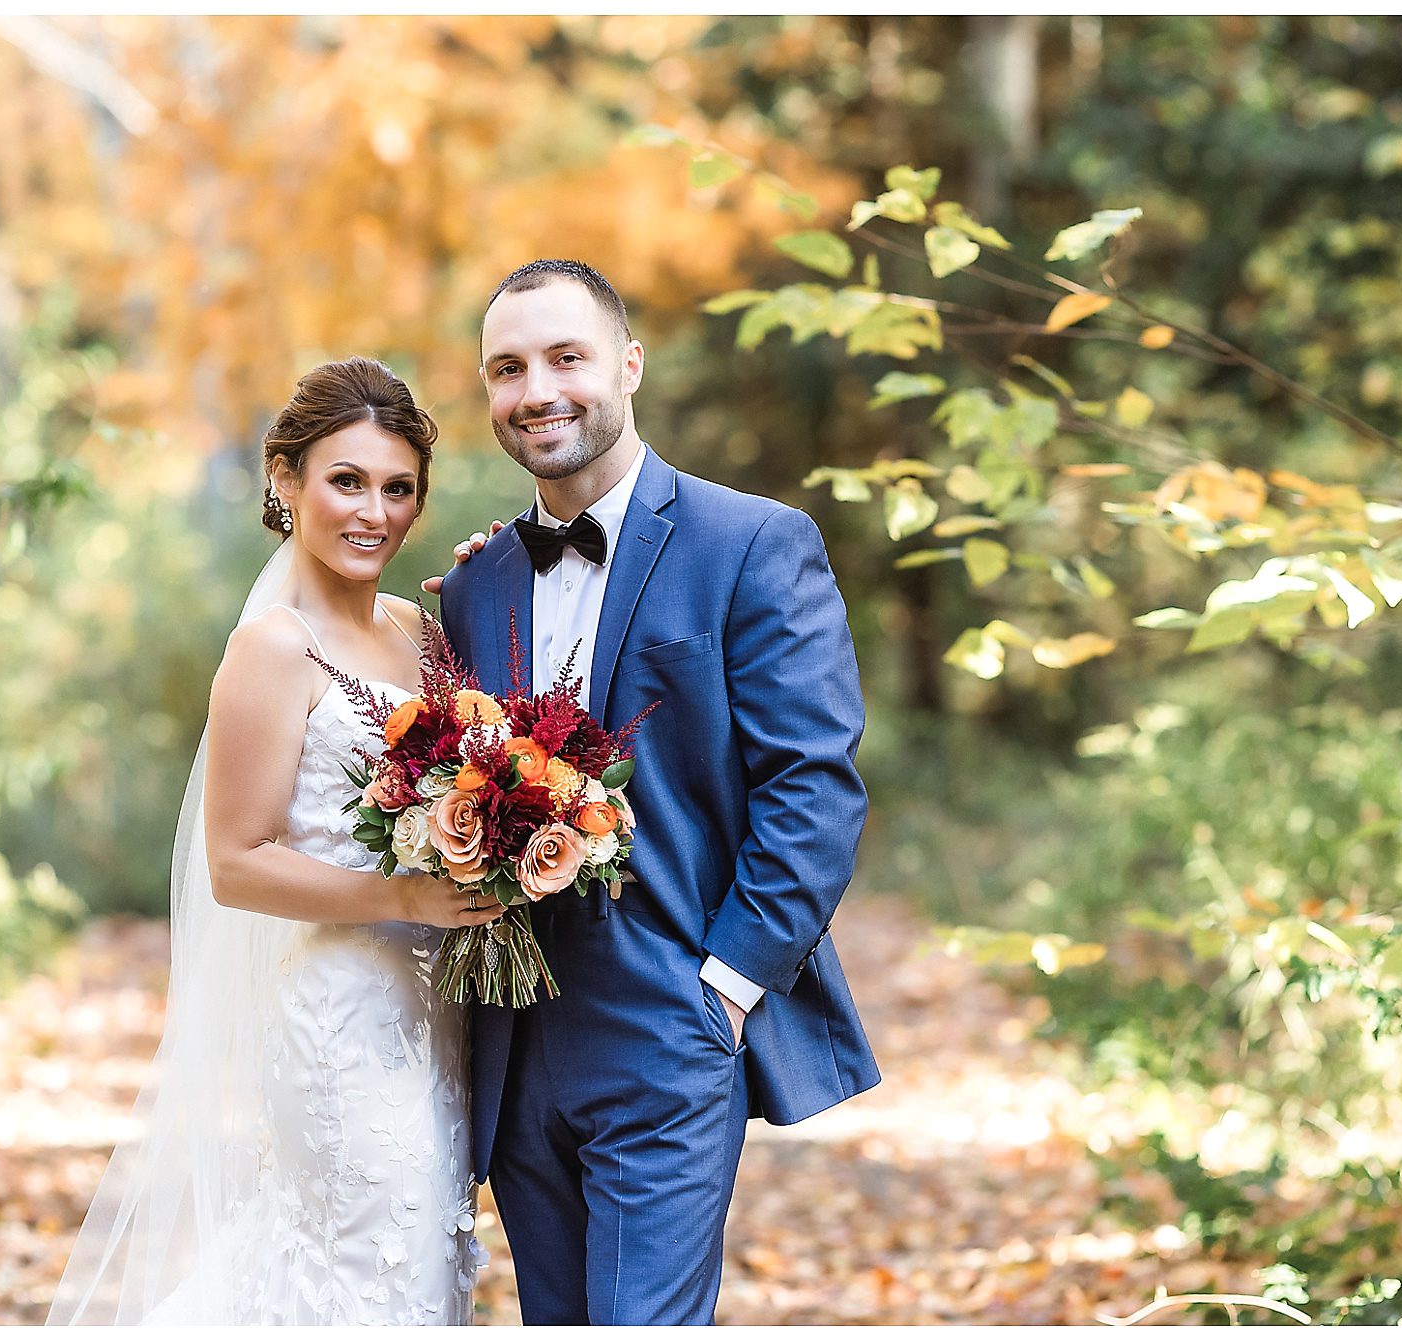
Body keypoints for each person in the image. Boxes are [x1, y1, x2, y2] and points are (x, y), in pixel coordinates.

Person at [434, 260, 876, 1325]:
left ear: (627, 365)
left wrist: (723, 992)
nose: (536, 389)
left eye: (565, 357)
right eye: (506, 369)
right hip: (509, 1037)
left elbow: (810, 791)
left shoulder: (753, 544)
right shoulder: (472, 583)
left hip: (671, 1021)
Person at [46, 357, 500, 1325]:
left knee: (422, 1258)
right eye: (345, 481)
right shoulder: (270, 649)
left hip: (435, 1015)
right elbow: (236, 863)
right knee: (367, 1263)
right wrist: (403, 899)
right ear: (283, 479)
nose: (372, 512)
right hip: (336, 1019)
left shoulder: (421, 635)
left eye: (397, 488)